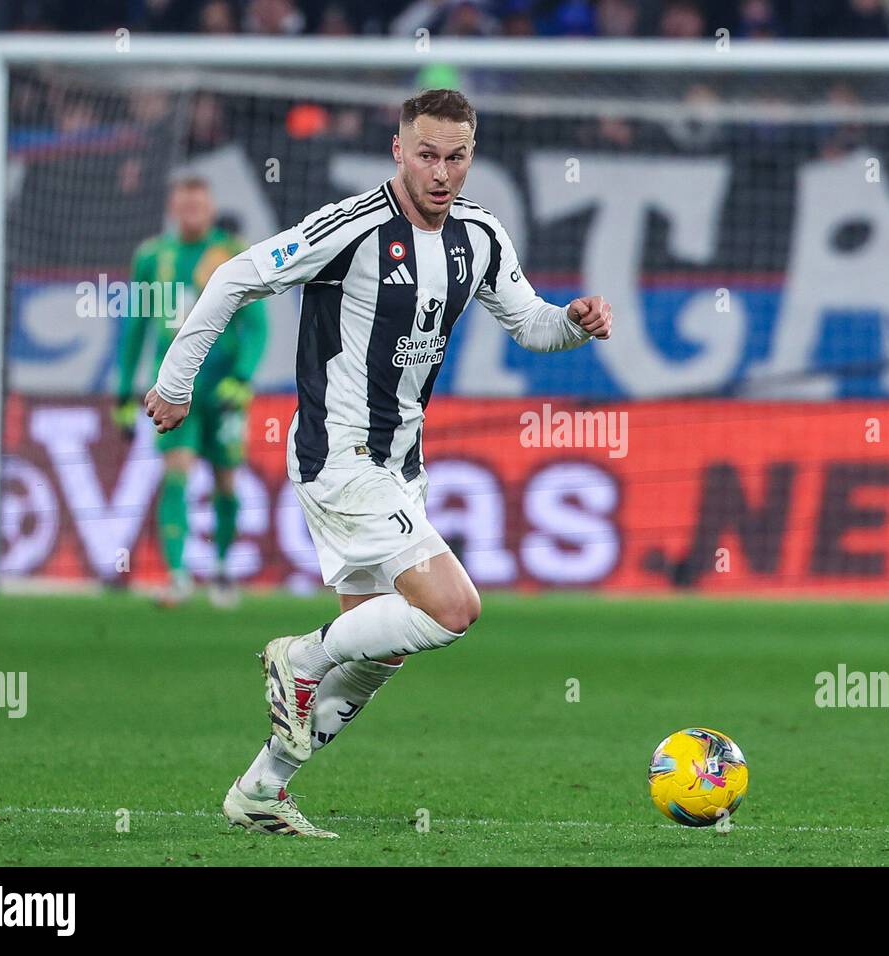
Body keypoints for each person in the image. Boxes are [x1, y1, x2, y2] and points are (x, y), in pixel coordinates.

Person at [144, 89, 612, 837]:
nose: (441, 172)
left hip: (399, 465)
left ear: (471, 156)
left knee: (380, 650)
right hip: (338, 454)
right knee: (453, 608)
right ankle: (295, 659)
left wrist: (574, 323)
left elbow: (531, 326)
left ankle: (262, 788)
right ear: (398, 149)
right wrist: (176, 382)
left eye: (456, 156)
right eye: (426, 154)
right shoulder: (352, 228)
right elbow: (235, 277)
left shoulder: (480, 237)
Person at [116, 175, 267, 608]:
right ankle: (178, 575)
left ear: (211, 207)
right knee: (176, 472)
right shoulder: (153, 257)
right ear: (172, 207)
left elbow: (256, 326)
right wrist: (123, 393)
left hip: (222, 389)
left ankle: (221, 569)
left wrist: (242, 377)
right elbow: (136, 328)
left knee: (225, 479)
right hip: (173, 388)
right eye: (184, 206)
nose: (191, 213)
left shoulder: (232, 253)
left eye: (198, 206)